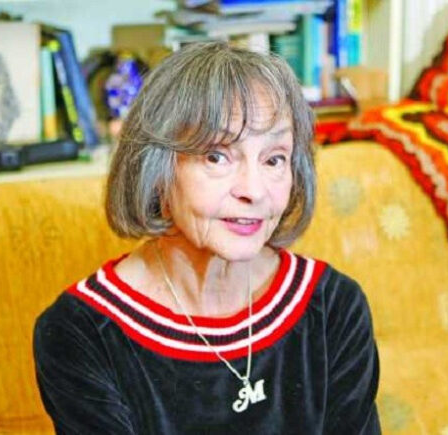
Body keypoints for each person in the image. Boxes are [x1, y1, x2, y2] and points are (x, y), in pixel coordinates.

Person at [33, 42, 380, 434]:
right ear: (156, 167)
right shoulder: (80, 331)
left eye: (274, 159)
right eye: (217, 156)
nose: (254, 190)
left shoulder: (332, 306)